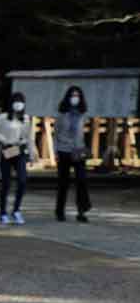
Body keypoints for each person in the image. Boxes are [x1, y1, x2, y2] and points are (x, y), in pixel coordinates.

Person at [0, 91, 37, 225]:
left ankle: (16, 210)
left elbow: (29, 137)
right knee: (6, 183)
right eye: (16, 101)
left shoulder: (25, 118)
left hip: (20, 151)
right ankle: (2, 212)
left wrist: (33, 152)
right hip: (8, 150)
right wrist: (2, 139)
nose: (18, 104)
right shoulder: (3, 117)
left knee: (23, 180)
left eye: (21, 101)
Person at [54, 85, 92, 223]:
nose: (75, 98)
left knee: (81, 181)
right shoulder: (61, 115)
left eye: (77, 96)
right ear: (67, 97)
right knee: (63, 183)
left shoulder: (83, 115)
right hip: (64, 151)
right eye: (72, 95)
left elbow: (84, 133)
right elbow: (56, 134)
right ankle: (60, 211)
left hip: (78, 151)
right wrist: (55, 151)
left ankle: (81, 211)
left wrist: (85, 149)